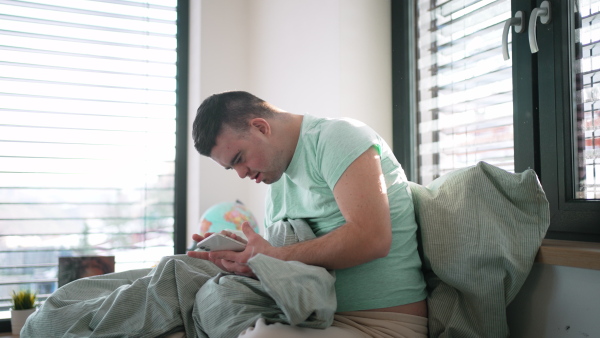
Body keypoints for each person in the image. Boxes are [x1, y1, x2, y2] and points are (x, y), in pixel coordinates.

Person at [187, 91, 428, 338]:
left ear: (260, 127)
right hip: (312, 320)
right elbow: (291, 268)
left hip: (383, 325)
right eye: (231, 167)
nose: (240, 173)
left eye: (239, 158)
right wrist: (254, 261)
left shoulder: (339, 136)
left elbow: (373, 238)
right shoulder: (275, 185)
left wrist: (273, 257)